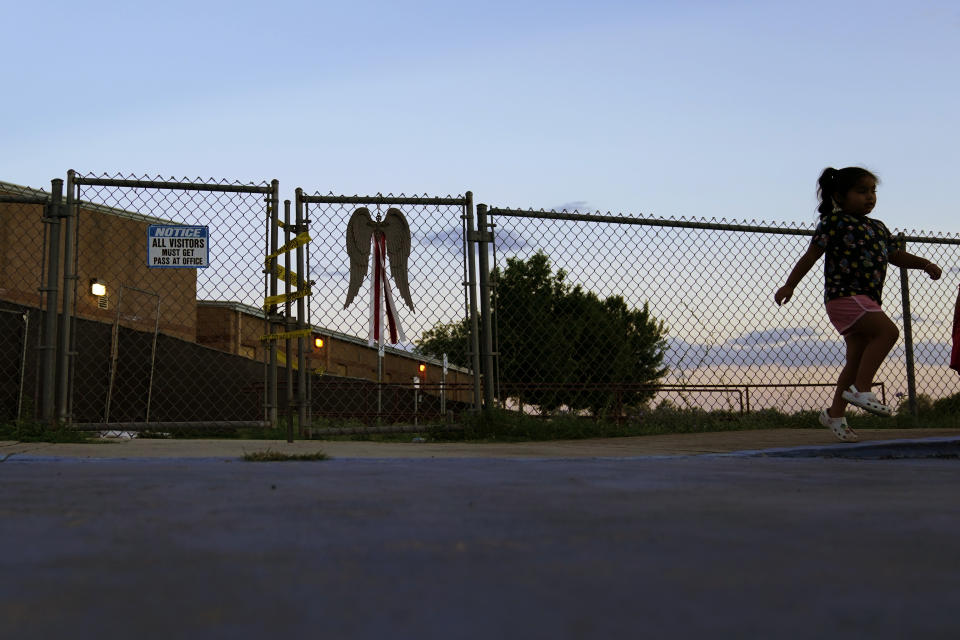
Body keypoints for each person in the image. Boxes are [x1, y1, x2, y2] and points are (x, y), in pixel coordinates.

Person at [774, 167, 942, 441]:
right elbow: (811, 255)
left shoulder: (878, 227)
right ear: (840, 196)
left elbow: (895, 254)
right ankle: (861, 388)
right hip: (844, 297)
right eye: (861, 191)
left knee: (855, 360)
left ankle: (835, 414)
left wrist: (923, 264)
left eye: (873, 191)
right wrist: (790, 284)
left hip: (867, 300)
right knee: (888, 332)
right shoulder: (833, 223)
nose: (869, 197)